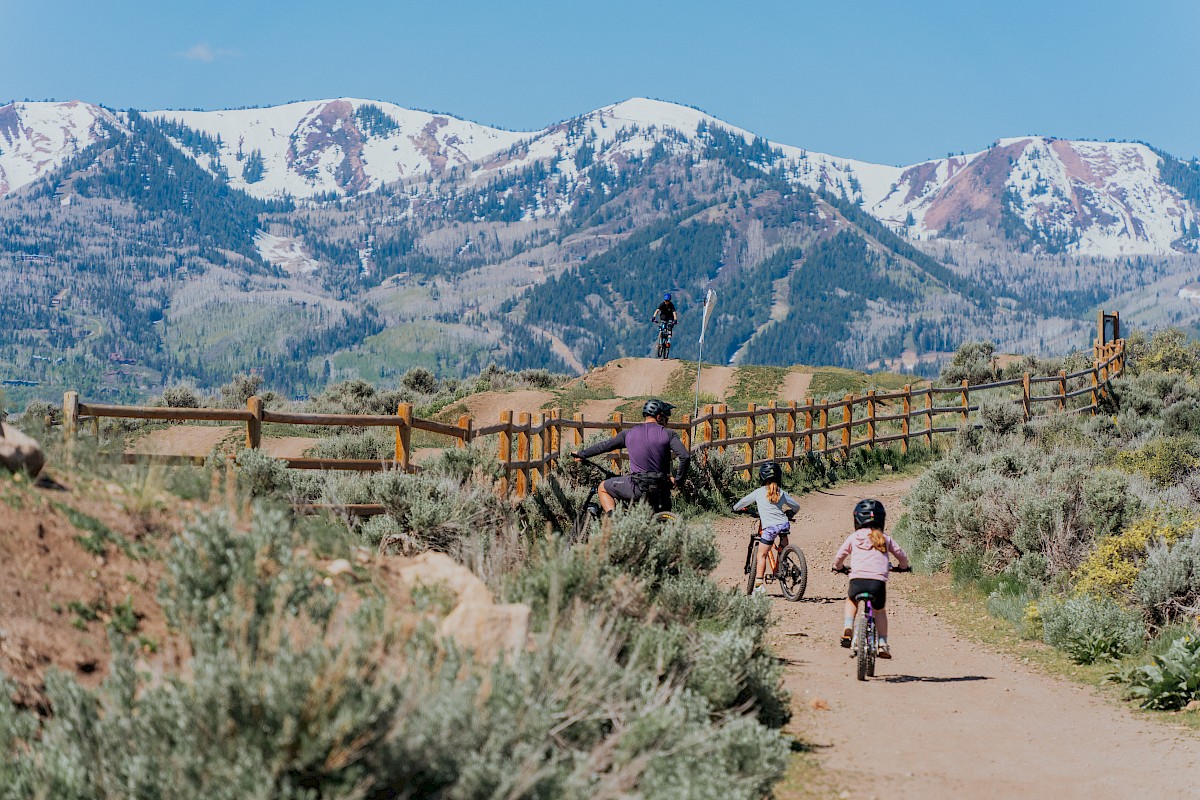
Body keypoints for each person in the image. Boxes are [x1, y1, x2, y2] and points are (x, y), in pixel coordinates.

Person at [571, 398, 690, 513]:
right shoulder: (668, 434)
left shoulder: (629, 434)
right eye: (666, 419)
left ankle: (614, 521)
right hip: (661, 487)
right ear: (659, 417)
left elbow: (605, 446)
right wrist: (678, 481)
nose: (666, 423)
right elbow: (685, 456)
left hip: (637, 487)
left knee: (603, 487)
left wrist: (582, 454)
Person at [831, 498, 909, 658]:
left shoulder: (854, 537)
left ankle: (848, 628)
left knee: (851, 600)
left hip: (857, 582)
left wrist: (838, 567)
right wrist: (903, 567)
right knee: (879, 611)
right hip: (877, 584)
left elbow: (839, 556)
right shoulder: (884, 538)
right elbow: (901, 554)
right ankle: (882, 643)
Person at [732, 462, 801, 595]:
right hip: (784, 524)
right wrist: (790, 513)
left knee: (761, 555)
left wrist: (735, 509)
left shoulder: (758, 492)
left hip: (769, 527)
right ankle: (782, 566)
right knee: (782, 549)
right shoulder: (781, 493)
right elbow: (796, 506)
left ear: (762, 477)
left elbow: (742, 503)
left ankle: (759, 585)